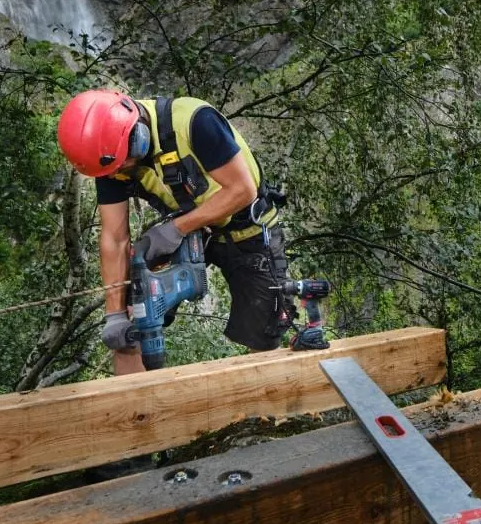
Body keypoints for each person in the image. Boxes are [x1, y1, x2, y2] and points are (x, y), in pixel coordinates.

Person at [56, 90, 299, 373]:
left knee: (262, 333)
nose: (116, 174)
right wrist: (115, 314)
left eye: (121, 165)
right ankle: (136, 398)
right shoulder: (108, 160)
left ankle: (265, 396)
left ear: (137, 137)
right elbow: (114, 237)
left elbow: (242, 190)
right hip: (193, 234)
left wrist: (175, 229)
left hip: (248, 232)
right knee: (133, 321)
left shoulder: (195, 122)